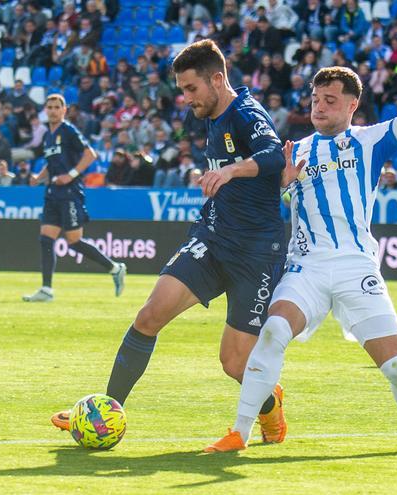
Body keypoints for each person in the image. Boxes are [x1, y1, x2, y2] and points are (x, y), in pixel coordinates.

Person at [205, 6, 397, 455]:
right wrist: (280, 186)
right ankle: (239, 433)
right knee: (274, 331)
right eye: (316, 100)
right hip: (307, 268)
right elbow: (264, 208)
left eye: (330, 101)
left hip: (357, 265)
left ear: (352, 105)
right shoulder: (291, 151)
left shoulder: (373, 140)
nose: (319, 107)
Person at [49, 40, 291, 446]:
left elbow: (274, 156)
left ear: (217, 79)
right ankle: (105, 412)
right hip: (212, 240)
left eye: (191, 88)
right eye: (181, 89)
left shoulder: (247, 113)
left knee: (234, 363)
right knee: (149, 315)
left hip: (255, 253)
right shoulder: (210, 114)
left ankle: (270, 405)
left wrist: (231, 171)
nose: (186, 98)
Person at [22, 94, 126, 303]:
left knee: (74, 241)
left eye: (56, 107)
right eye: (49, 107)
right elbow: (50, 164)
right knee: (45, 239)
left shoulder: (68, 130)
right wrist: (39, 178)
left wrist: (70, 175)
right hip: (52, 193)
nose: (52, 110)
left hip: (69, 193)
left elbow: (90, 154)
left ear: (64, 110)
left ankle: (115, 268)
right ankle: (46, 290)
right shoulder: (47, 136)